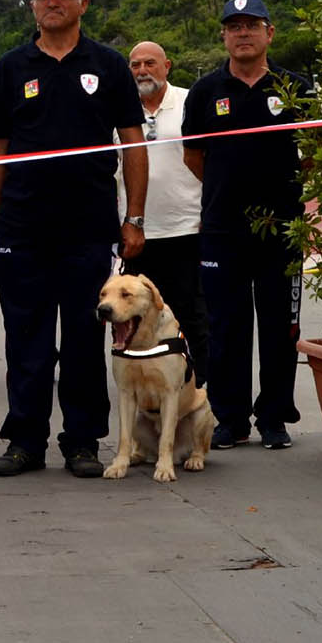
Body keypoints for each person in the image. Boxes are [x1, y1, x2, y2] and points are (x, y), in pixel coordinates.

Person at [0, 0, 147, 479]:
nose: (53, 1)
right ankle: (25, 440)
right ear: (32, 5)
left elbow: (134, 143)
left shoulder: (109, 63)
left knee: (81, 337)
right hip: (22, 228)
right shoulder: (12, 66)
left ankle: (82, 440)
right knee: (25, 338)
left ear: (83, 4)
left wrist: (134, 218)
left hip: (89, 228)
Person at [180, 0, 308, 451]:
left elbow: (311, 155)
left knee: (280, 326)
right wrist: (227, 187)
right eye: (234, 27)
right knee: (226, 327)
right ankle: (229, 418)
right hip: (222, 228)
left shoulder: (296, 87)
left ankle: (275, 416)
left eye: (252, 25)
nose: (243, 33)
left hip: (283, 229)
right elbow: (194, 157)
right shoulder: (204, 92)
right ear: (224, 36)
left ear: (270, 32)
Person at [119, 41, 209, 386]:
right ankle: (151, 387)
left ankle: (199, 385)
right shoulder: (121, 109)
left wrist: (206, 211)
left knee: (193, 314)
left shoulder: (190, 101)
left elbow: (206, 158)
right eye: (136, 64)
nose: (142, 70)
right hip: (138, 233)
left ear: (167, 66)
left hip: (187, 228)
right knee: (141, 318)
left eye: (150, 64)